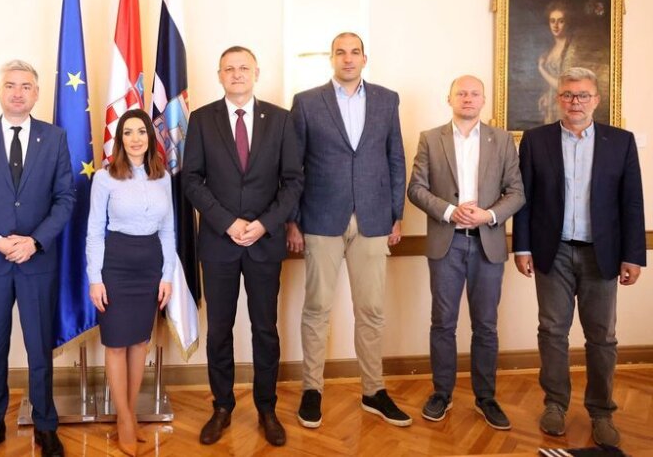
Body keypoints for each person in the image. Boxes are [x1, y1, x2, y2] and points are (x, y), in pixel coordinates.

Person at [513, 67, 645, 447]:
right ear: (559, 99)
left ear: (596, 100)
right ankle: (555, 405)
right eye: (569, 95)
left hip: (601, 255)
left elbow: (632, 202)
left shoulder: (620, 142)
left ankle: (601, 412)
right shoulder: (536, 141)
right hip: (551, 252)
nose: (576, 102)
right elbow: (525, 200)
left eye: (583, 95)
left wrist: (633, 255)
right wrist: (522, 247)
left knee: (602, 337)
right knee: (552, 332)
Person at [287, 32, 411, 428]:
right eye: (340, 52)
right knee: (317, 308)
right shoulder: (307, 102)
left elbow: (395, 157)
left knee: (371, 309)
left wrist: (396, 212)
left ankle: (374, 390)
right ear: (331, 58)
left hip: (374, 218)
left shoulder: (387, 100)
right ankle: (312, 389)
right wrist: (293, 219)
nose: (348, 58)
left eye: (354, 52)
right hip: (320, 218)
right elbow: (293, 166)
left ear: (364, 58)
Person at [0, 60, 74, 457]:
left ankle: (45, 425)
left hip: (37, 262)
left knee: (39, 348)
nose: (18, 92)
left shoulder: (54, 138)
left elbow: (65, 199)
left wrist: (34, 242)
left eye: (26, 86)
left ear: (36, 93)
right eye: (10, 85)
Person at [183, 46, 303, 447]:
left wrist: (264, 224)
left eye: (243, 68)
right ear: (219, 75)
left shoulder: (281, 120)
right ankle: (222, 407)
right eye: (229, 69)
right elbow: (192, 180)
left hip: (264, 243)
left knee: (265, 329)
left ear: (256, 73)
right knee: (219, 330)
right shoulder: (202, 120)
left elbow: (293, 181)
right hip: (219, 243)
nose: (236, 74)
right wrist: (228, 222)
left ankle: (267, 408)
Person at [407, 75, 524, 430]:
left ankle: (486, 397)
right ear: (450, 98)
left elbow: (516, 192)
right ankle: (441, 394)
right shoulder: (430, 138)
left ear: (483, 100)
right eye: (461, 93)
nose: (468, 98)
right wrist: (448, 211)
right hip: (447, 242)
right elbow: (416, 188)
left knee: (486, 325)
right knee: (443, 323)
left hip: (488, 243)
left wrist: (488, 215)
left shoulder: (502, 140)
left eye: (474, 93)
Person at [86, 109, 174, 457]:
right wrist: (95, 279)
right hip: (116, 265)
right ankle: (124, 420)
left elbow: (168, 231)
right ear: (119, 139)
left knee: (139, 343)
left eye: (141, 131)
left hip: (150, 265)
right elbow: (94, 232)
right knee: (116, 344)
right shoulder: (105, 178)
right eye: (128, 132)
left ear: (150, 138)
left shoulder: (163, 177)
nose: (135, 138)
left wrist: (167, 275)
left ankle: (131, 412)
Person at [537, 1, 579, 125]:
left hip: (565, 106)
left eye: (560, 21)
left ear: (567, 23)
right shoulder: (551, 48)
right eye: (552, 21)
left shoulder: (572, 49)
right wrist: (546, 95)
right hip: (550, 105)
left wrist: (541, 69)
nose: (555, 25)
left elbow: (564, 86)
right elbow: (551, 84)